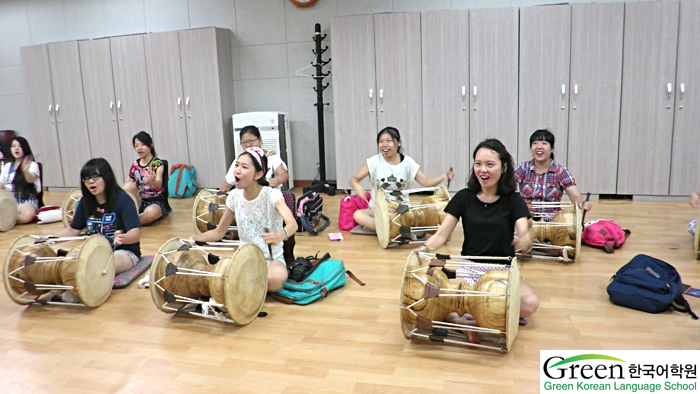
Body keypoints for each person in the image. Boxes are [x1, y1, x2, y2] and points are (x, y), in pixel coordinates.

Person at [416, 138, 539, 343]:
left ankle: (469, 315)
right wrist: (422, 249)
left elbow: (522, 230)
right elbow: (441, 235)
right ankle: (467, 322)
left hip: (502, 271)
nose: (483, 170)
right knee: (429, 294)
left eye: (490, 164)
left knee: (530, 303)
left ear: (504, 167)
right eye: (478, 164)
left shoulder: (513, 200)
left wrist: (525, 239)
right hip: (471, 269)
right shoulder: (464, 197)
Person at [194, 147, 298, 292]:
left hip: (271, 261)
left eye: (244, 167)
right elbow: (219, 232)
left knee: (276, 278)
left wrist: (279, 236)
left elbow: (293, 224)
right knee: (199, 257)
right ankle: (242, 282)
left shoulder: (272, 195)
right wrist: (194, 239)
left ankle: (236, 282)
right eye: (237, 165)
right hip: (245, 259)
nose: (237, 170)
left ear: (258, 174)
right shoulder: (234, 196)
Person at [51, 159, 141, 301]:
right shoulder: (85, 202)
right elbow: (73, 230)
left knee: (99, 265)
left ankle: (73, 295)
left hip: (125, 252)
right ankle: (64, 288)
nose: (90, 182)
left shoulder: (123, 200)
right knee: (63, 263)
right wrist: (50, 239)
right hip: (94, 251)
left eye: (95, 177)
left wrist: (124, 238)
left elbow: (135, 234)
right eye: (86, 179)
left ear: (106, 177)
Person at [350, 126, 453, 232]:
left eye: (389, 141)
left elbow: (425, 182)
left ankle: (387, 229)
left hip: (401, 210)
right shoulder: (374, 161)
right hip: (378, 209)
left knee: (421, 218)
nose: (384, 144)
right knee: (358, 215)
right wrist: (357, 186)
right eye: (381, 141)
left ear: (398, 142)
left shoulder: (408, 163)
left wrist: (443, 177)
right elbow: (354, 179)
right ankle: (395, 229)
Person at [514, 129, 591, 220]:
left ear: (552, 148)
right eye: (535, 143)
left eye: (544, 143)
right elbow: (505, 186)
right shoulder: (523, 168)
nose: (539, 147)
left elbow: (576, 196)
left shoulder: (560, 171)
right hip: (526, 218)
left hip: (552, 221)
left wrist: (582, 203)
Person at [122, 131, 171, 224]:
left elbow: (159, 183)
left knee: (152, 213)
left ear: (151, 145)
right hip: (139, 200)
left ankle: (130, 221)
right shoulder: (135, 164)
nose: (139, 148)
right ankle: (128, 219)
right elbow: (127, 183)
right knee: (128, 186)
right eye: (136, 146)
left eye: (143, 145)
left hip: (155, 201)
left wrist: (151, 182)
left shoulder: (158, 164)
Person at [220, 125, 289, 191]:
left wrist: (278, 180)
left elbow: (284, 174)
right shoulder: (240, 160)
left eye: (251, 141)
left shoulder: (271, 157)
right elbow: (226, 185)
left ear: (259, 139)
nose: (248, 145)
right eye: (244, 142)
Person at [0, 137, 41, 224]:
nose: (16, 148)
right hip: (9, 199)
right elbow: (1, 185)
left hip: (25, 199)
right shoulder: (7, 167)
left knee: (27, 215)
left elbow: (31, 180)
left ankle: (6, 220)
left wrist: (25, 170)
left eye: (19, 146)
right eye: (13, 146)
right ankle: (7, 219)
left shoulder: (32, 165)